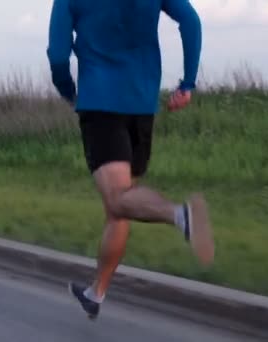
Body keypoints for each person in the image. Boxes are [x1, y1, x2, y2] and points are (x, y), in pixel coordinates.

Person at [46, 0, 214, 320]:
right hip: (142, 103)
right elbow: (190, 21)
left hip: (100, 102)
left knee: (118, 200)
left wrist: (70, 93)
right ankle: (96, 294)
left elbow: (57, 56)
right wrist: (188, 83)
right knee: (120, 207)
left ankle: (181, 216)